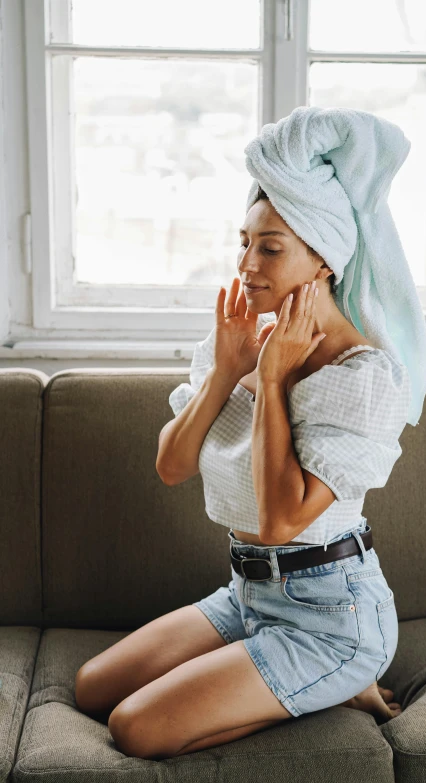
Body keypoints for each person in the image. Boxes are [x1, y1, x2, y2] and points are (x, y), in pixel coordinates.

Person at [74, 188, 408, 761]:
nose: (247, 264)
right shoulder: (242, 334)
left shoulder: (363, 376)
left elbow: (279, 521)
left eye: (270, 249)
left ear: (324, 258)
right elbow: (171, 466)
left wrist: (274, 379)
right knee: (92, 689)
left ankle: (339, 684)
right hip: (248, 593)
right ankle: (296, 688)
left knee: (135, 727)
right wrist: (227, 371)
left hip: (332, 616)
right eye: (244, 243)